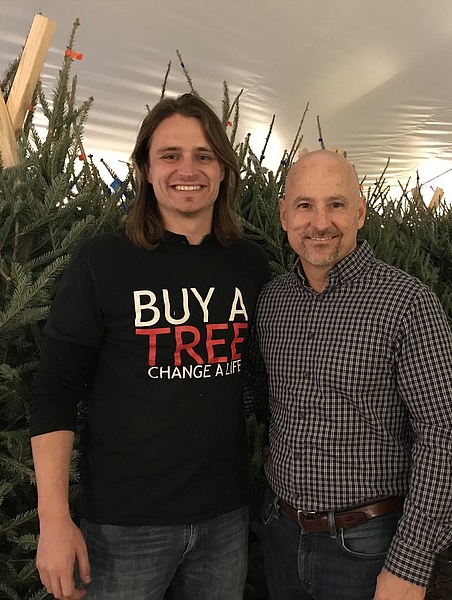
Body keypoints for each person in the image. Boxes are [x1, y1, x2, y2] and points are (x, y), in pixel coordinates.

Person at [29, 92, 270, 600]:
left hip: (225, 519)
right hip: (123, 527)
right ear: (144, 167)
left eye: (204, 155)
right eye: (170, 155)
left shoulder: (250, 266)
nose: (189, 168)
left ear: (224, 170)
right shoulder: (102, 261)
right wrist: (53, 519)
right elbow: (54, 387)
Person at [254, 149, 452, 599]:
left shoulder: (406, 303)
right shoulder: (272, 302)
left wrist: (410, 565)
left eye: (335, 204)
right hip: (281, 534)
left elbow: (444, 435)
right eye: (304, 205)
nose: (319, 222)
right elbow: (258, 403)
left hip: (368, 546)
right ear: (284, 216)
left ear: (360, 212)